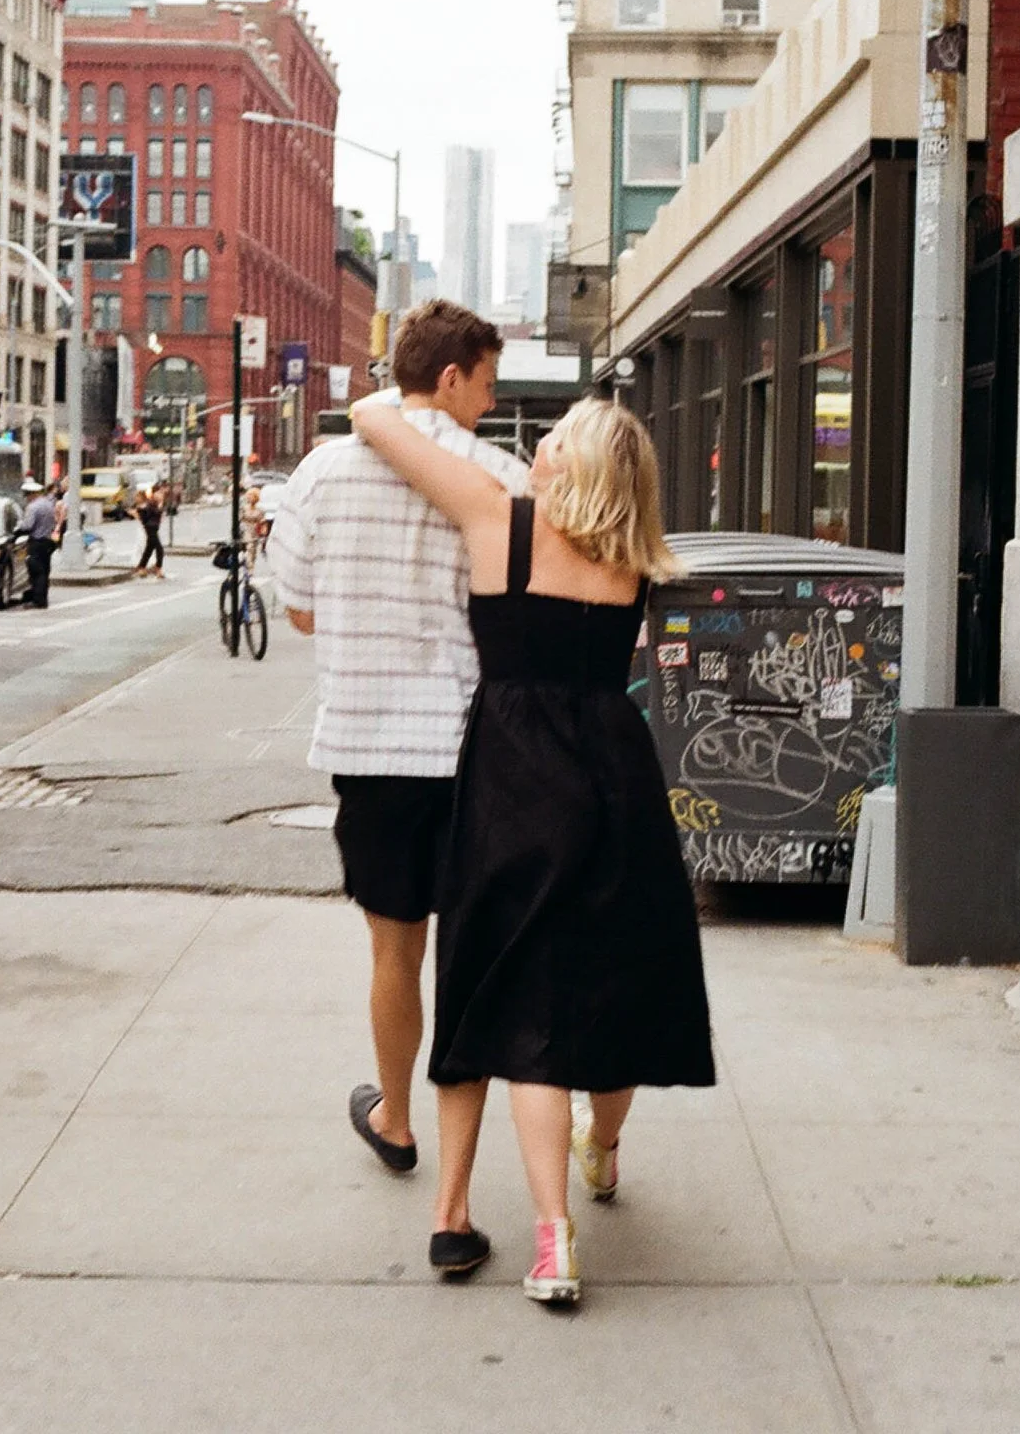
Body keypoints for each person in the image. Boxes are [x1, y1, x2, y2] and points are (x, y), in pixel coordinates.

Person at [348, 392, 713, 1308]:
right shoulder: (635, 554)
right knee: (621, 982)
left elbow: (372, 422)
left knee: (515, 1006)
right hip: (615, 777)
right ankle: (607, 1146)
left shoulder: (498, 521)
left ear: (568, 465)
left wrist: (420, 400)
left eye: (550, 440)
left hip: (514, 782)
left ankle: (552, 1242)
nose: (536, 448)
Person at [269, 301, 531, 1282]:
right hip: (472, 748)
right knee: (466, 957)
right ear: (453, 375)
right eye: (489, 381)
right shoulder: (499, 477)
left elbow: (294, 608)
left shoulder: (324, 469)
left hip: (372, 744)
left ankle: (394, 1116)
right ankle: (453, 1203)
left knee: (393, 948)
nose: (493, 400)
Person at [18, 478, 59, 608]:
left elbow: (27, 526)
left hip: (37, 542)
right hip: (47, 542)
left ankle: (38, 600)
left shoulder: (33, 507)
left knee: (36, 572)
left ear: (32, 494)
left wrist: (18, 527)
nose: (26, 498)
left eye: (27, 495)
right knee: (45, 571)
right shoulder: (48, 504)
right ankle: (43, 598)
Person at [134, 480, 167, 579]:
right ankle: (158, 568)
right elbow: (150, 513)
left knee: (150, 548)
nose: (161, 494)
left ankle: (142, 567)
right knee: (159, 549)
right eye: (159, 493)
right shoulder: (152, 504)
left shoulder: (156, 503)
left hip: (153, 528)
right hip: (150, 528)